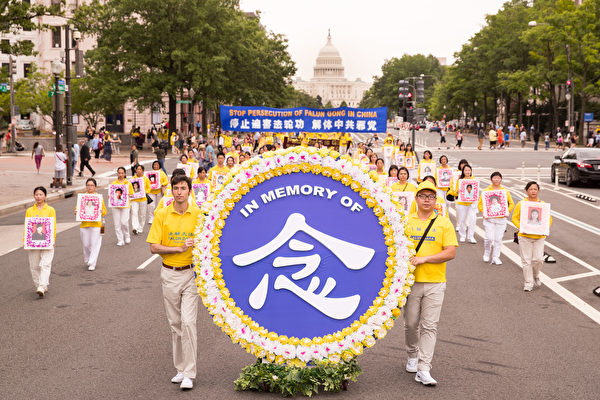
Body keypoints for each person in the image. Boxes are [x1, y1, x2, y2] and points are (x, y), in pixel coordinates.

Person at [147, 174, 201, 391]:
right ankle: (180, 369)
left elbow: (210, 241)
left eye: (183, 188)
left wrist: (198, 244)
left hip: (191, 274)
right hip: (169, 273)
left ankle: (189, 372)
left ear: (190, 191)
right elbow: (153, 247)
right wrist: (177, 248)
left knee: (189, 323)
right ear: (171, 191)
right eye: (176, 188)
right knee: (175, 324)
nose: (179, 192)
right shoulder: (162, 214)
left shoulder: (198, 214)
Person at [403, 180, 458, 386]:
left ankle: (424, 368)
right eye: (423, 196)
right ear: (416, 198)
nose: (427, 200)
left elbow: (450, 252)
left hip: (435, 281)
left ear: (436, 200)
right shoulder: (406, 222)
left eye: (431, 197)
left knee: (429, 325)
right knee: (410, 324)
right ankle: (412, 354)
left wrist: (424, 259)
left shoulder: (444, 222)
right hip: (411, 282)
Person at [512, 181, 552, 291]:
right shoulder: (522, 204)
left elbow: (548, 219)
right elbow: (514, 218)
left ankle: (536, 275)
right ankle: (528, 283)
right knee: (526, 261)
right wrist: (521, 227)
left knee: (538, 259)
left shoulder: (542, 205)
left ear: (538, 191)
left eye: (535, 189)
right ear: (526, 191)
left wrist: (545, 228)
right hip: (524, 236)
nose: (533, 191)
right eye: (531, 189)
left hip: (539, 237)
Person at [25, 186, 56, 297]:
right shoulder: (29, 210)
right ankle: (40, 284)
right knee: (34, 266)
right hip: (33, 242)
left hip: (47, 241)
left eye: (41, 194)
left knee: (45, 264)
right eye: (36, 194)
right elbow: (27, 227)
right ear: (34, 196)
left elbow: (53, 226)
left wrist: (52, 240)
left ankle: (42, 286)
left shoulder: (50, 210)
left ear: (45, 196)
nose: (38, 197)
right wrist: (26, 241)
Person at [477, 172, 515, 264]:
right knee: (489, 238)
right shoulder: (486, 191)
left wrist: (507, 211)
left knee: (498, 239)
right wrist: (483, 212)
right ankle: (487, 253)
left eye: (498, 178)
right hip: (489, 219)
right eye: (495, 178)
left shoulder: (505, 191)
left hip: (501, 219)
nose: (496, 179)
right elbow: (480, 204)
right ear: (491, 179)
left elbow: (511, 203)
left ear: (501, 179)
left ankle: (496, 257)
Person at [77, 178, 107, 271]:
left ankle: (92, 262)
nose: (90, 187)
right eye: (88, 185)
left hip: (96, 224)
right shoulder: (82, 197)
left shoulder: (98, 197)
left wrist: (102, 211)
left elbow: (104, 211)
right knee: (86, 244)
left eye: (92, 185)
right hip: (84, 224)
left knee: (94, 244)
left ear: (95, 187)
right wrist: (76, 212)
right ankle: (88, 259)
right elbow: (78, 209)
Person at [450, 164, 477, 243]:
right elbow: (455, 192)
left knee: (472, 219)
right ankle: (462, 235)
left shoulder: (474, 179)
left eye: (469, 170)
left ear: (471, 171)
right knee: (462, 219)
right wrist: (457, 192)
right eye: (466, 170)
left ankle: (471, 236)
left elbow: (475, 190)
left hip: (471, 203)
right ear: (463, 171)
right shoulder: (460, 180)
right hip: (462, 203)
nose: (468, 172)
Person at [111, 167, 134, 246]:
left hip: (125, 205)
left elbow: (132, 194)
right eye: (119, 173)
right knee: (117, 224)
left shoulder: (128, 183)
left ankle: (127, 235)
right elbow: (111, 194)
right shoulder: (114, 183)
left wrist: (127, 194)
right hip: (115, 206)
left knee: (124, 222)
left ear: (124, 174)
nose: (120, 174)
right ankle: (120, 239)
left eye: (122, 173)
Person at [131, 164, 151, 235]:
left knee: (142, 214)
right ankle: (135, 228)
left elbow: (149, 188)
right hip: (134, 199)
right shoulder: (132, 179)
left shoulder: (145, 179)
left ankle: (140, 228)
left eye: (140, 169)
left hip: (143, 199)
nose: (138, 170)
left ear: (142, 171)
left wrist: (145, 191)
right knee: (134, 213)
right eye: (137, 169)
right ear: (135, 170)